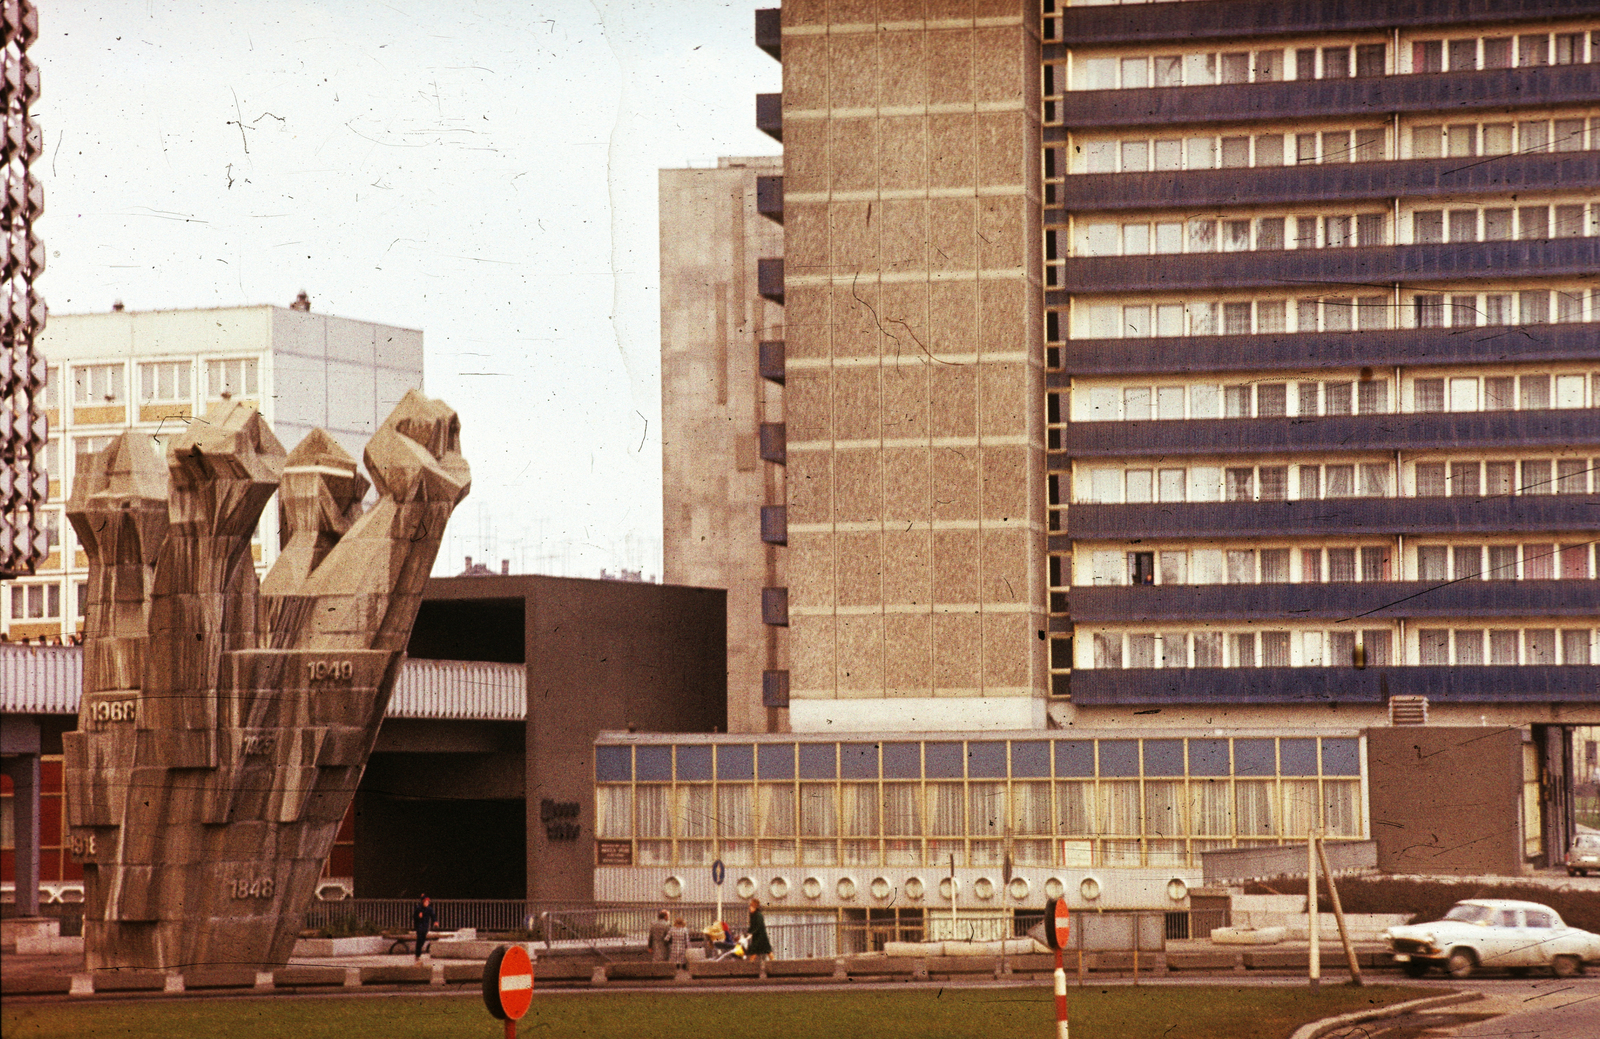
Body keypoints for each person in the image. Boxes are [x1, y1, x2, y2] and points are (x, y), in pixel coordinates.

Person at [745, 898, 772, 962]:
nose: (749, 908)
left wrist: (752, 933)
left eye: (751, 906)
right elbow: (752, 926)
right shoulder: (753, 915)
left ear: (755, 907)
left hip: (761, 936)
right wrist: (748, 932)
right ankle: (775, 962)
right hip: (757, 936)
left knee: (764, 951)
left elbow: (759, 926)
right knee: (765, 951)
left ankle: (750, 965)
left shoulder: (758, 915)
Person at [412, 894, 437, 961]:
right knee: (419, 939)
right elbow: (414, 917)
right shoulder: (419, 908)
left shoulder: (429, 909)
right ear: (423, 902)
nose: (427, 903)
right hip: (419, 925)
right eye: (426, 902)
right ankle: (418, 954)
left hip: (425, 926)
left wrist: (435, 921)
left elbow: (433, 915)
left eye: (428, 902)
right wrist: (418, 917)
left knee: (422, 940)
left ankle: (418, 951)